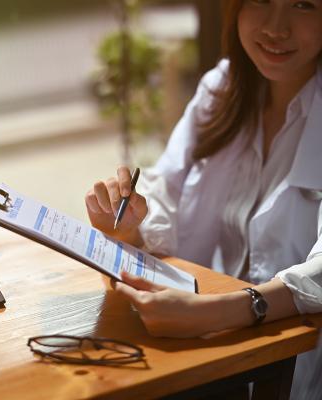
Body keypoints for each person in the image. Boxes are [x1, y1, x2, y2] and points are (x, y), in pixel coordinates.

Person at [85, 0, 322, 398]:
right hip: (208, 353)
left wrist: (225, 310)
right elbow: (166, 195)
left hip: (294, 369)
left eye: (303, 5)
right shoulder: (224, 87)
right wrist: (130, 224)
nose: (275, 28)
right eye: (261, 0)